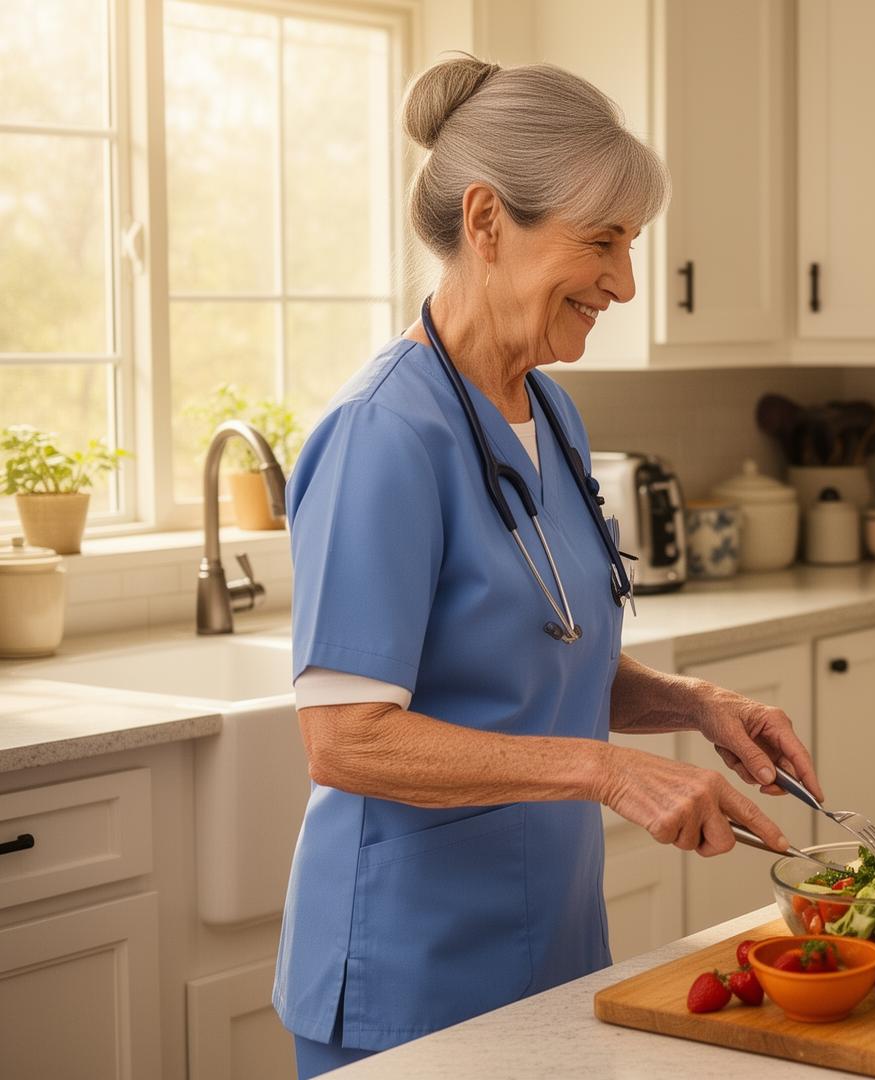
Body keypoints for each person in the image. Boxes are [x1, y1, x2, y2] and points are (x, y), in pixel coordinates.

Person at [275, 56, 819, 1076]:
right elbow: (346, 740)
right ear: (487, 223)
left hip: (554, 948)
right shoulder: (381, 435)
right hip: (410, 971)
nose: (623, 282)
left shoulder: (551, 412)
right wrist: (609, 769)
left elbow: (535, 654)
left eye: (631, 245)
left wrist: (692, 705)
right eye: (601, 242)